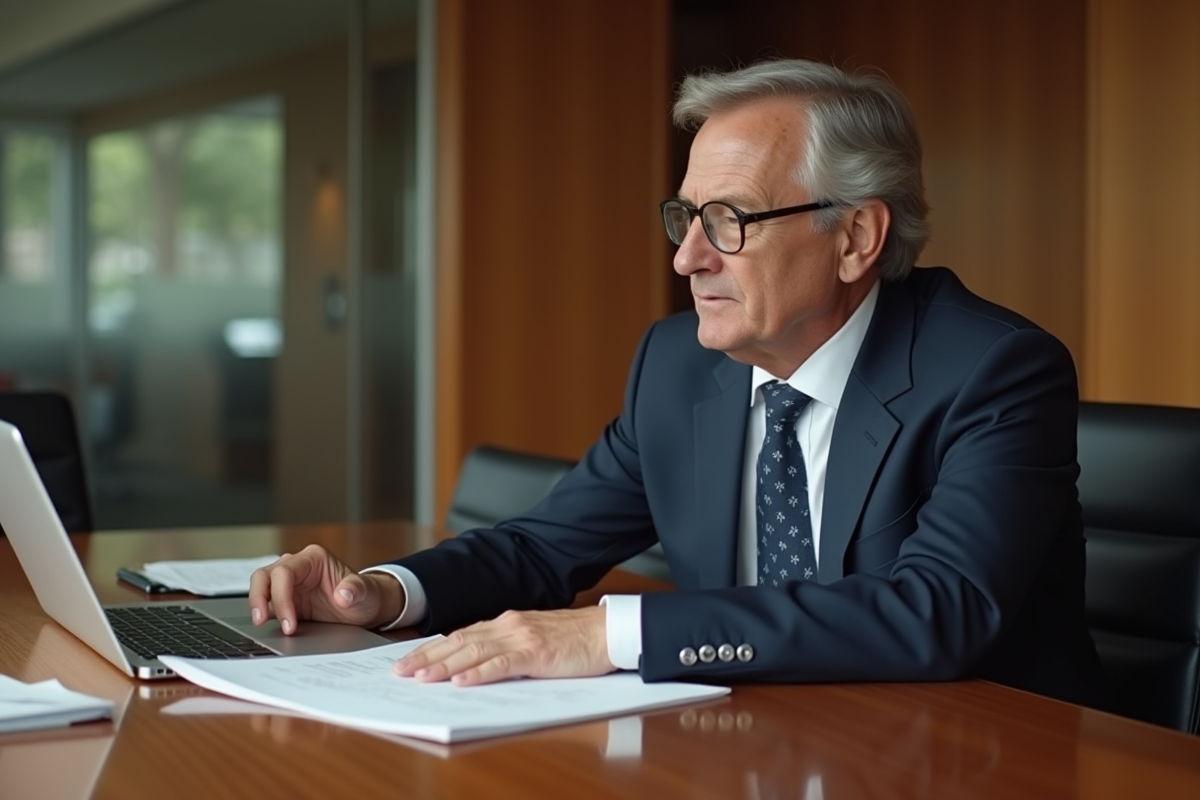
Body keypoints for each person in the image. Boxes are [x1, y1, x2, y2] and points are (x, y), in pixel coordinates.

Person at [249, 58, 1107, 707]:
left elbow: (938, 610)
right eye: (687, 217)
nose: (686, 257)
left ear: (856, 238)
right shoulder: (678, 364)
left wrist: (613, 633)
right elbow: (541, 548)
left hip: (975, 756)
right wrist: (384, 594)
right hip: (746, 741)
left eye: (728, 221)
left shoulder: (993, 370)